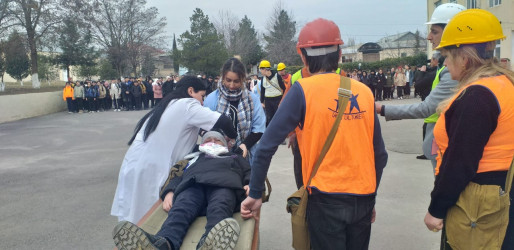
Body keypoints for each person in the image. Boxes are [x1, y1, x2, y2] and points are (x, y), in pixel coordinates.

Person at [240, 18, 388, 249]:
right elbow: (380, 154)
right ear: (339, 55)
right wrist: (371, 197)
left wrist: (256, 192)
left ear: (302, 56)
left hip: (325, 198)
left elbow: (266, 145)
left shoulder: (301, 91)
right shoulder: (364, 92)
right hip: (363, 197)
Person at [423, 9, 514, 249]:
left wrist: (437, 208)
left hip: (478, 203)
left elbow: (460, 161)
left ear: (464, 58)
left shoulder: (477, 97)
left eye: (446, 55)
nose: (444, 62)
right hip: (501, 193)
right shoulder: (503, 84)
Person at [111, 76, 237, 224]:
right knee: (148, 219)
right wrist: (233, 139)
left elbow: (187, 134)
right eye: (202, 96)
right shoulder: (188, 104)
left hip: (134, 164)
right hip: (151, 168)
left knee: (133, 216)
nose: (202, 102)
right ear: (191, 91)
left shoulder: (167, 105)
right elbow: (224, 121)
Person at [112, 130, 249, 250]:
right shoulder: (192, 158)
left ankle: (211, 243)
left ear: (225, 145)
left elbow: (249, 172)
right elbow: (177, 176)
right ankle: (163, 243)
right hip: (193, 184)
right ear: (201, 145)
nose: (212, 142)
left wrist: (250, 185)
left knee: (220, 207)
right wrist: (169, 192)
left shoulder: (234, 157)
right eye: (208, 140)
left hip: (224, 184)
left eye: (217, 140)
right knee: (181, 209)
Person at [376, 3, 465, 167]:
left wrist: (382, 109)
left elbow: (427, 107)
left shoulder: (457, 70)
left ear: (452, 32)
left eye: (435, 31)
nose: (429, 37)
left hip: (447, 145)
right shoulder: (449, 66)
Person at [204, 58, 266, 160]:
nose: (232, 85)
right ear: (223, 77)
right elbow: (203, 127)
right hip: (217, 156)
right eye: (228, 80)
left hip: (246, 155)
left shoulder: (252, 100)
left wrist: (245, 145)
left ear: (243, 79)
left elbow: (259, 129)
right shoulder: (212, 99)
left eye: (236, 81)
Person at [259, 59, 286, 126]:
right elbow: (263, 91)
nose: (260, 71)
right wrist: (262, 102)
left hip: (277, 99)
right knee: (269, 118)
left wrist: (282, 100)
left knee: (279, 117)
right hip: (268, 101)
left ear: (265, 69)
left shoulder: (277, 76)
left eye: (260, 69)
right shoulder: (263, 78)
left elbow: (284, 89)